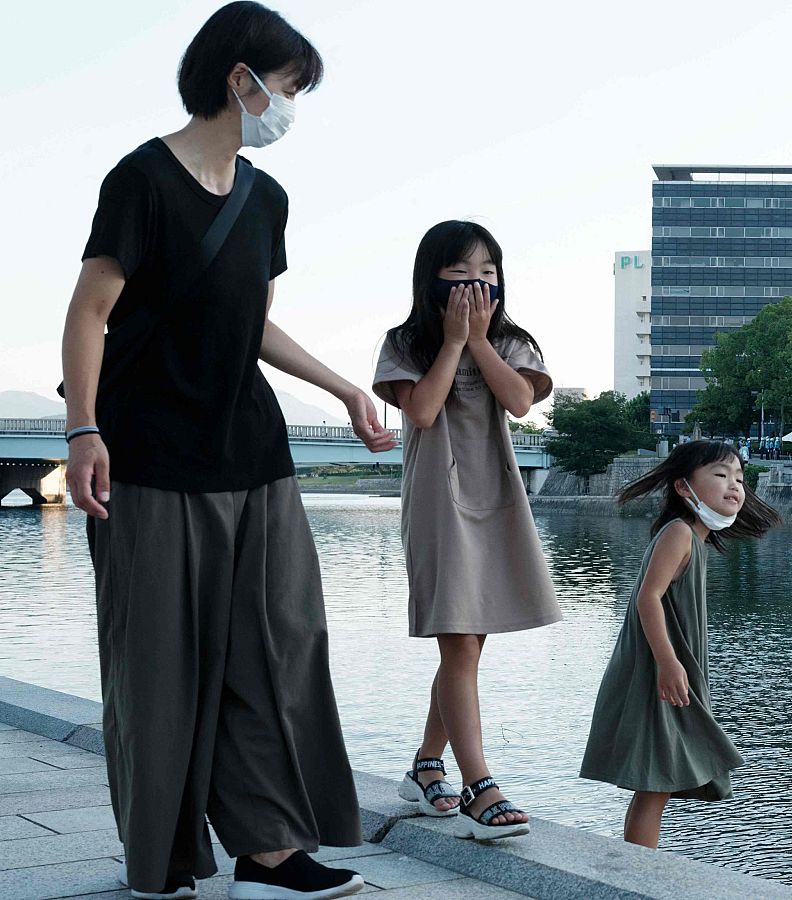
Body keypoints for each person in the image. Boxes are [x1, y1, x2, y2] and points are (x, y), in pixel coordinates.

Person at [59, 4, 388, 897]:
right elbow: (90, 309)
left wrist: (344, 386)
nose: (289, 109)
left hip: (253, 450)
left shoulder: (265, 197)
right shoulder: (140, 180)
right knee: (160, 664)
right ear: (238, 80)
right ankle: (164, 857)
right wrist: (83, 428)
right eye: (287, 89)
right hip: (152, 454)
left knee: (279, 646)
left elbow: (254, 322)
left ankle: (270, 850)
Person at [373, 221, 561, 840]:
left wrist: (479, 341)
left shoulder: (513, 342)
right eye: (461, 274)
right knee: (458, 642)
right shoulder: (404, 342)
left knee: (471, 645)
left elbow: (519, 403)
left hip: (497, 496)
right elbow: (422, 411)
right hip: (436, 500)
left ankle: (428, 765)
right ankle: (480, 785)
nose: (476, 285)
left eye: (488, 273)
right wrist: (452, 342)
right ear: (432, 279)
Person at [580, 441, 782, 848]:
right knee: (656, 781)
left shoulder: (695, 538)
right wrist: (670, 664)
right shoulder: (679, 533)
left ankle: (638, 867)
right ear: (683, 487)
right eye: (721, 476)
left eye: (739, 478)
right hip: (659, 670)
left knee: (659, 782)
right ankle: (638, 873)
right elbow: (647, 598)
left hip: (667, 667)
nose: (734, 486)